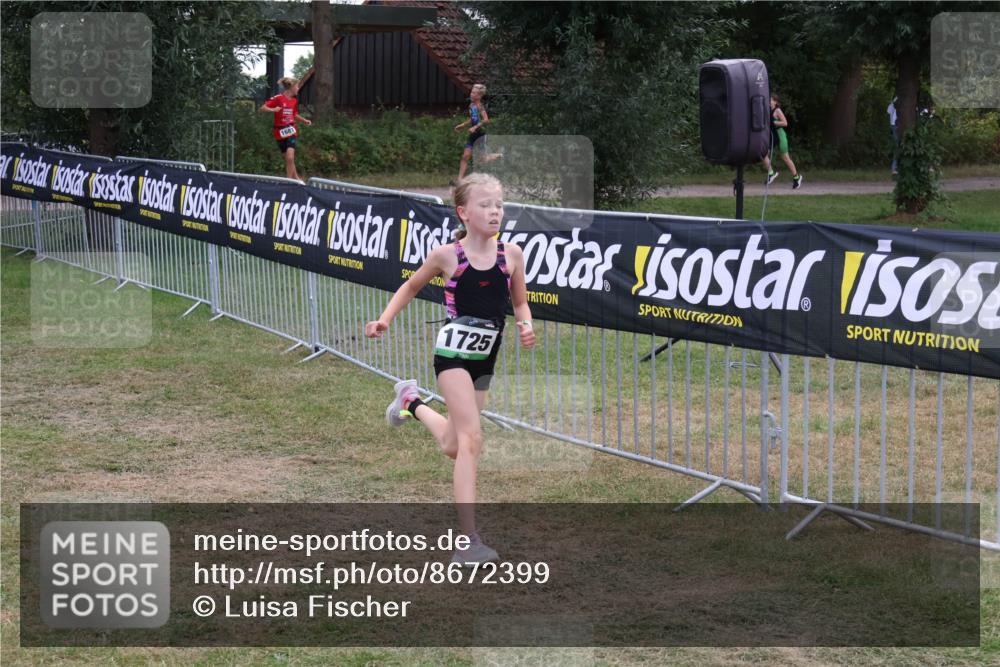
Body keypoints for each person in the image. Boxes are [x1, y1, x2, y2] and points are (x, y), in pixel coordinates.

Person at [365, 173, 535, 564]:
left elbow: (521, 303)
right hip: (452, 357)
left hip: (485, 358)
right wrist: (384, 319)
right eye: (485, 205)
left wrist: (526, 324)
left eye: (499, 204)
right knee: (473, 439)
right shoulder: (447, 255)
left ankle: (410, 401)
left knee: (455, 445)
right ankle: (469, 541)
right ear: (463, 212)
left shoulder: (512, 255)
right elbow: (410, 286)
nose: (495, 211)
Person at [260, 75, 312, 181]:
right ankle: (297, 178)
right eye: (297, 87)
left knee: (290, 157)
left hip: (291, 131)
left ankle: (288, 182)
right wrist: (273, 110)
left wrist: (304, 120)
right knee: (289, 160)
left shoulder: (294, 101)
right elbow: (263, 107)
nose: (298, 89)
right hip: (279, 132)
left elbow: (294, 114)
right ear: (291, 87)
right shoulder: (278, 98)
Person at [453, 84, 502, 182]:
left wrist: (475, 127)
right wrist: (463, 125)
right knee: (465, 156)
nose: (472, 94)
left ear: (479, 96)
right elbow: (473, 118)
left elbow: (486, 119)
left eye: (474, 93)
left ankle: (499, 155)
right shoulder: (471, 105)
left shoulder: (480, 106)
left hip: (480, 134)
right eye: (472, 92)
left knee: (483, 159)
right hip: (473, 135)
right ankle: (460, 180)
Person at [762, 94, 803, 189]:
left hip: (780, 136)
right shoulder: (768, 111)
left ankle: (797, 177)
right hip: (772, 137)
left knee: (785, 158)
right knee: (763, 154)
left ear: (775, 102)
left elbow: (785, 123)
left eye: (771, 100)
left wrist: (774, 122)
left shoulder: (777, 110)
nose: (769, 101)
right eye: (768, 100)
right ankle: (771, 173)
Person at [887, 96, 898, 175]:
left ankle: (895, 168)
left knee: (898, 145)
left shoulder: (894, 101)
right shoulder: (899, 99)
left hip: (893, 125)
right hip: (896, 125)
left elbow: (888, 111)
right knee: (898, 145)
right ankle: (894, 168)